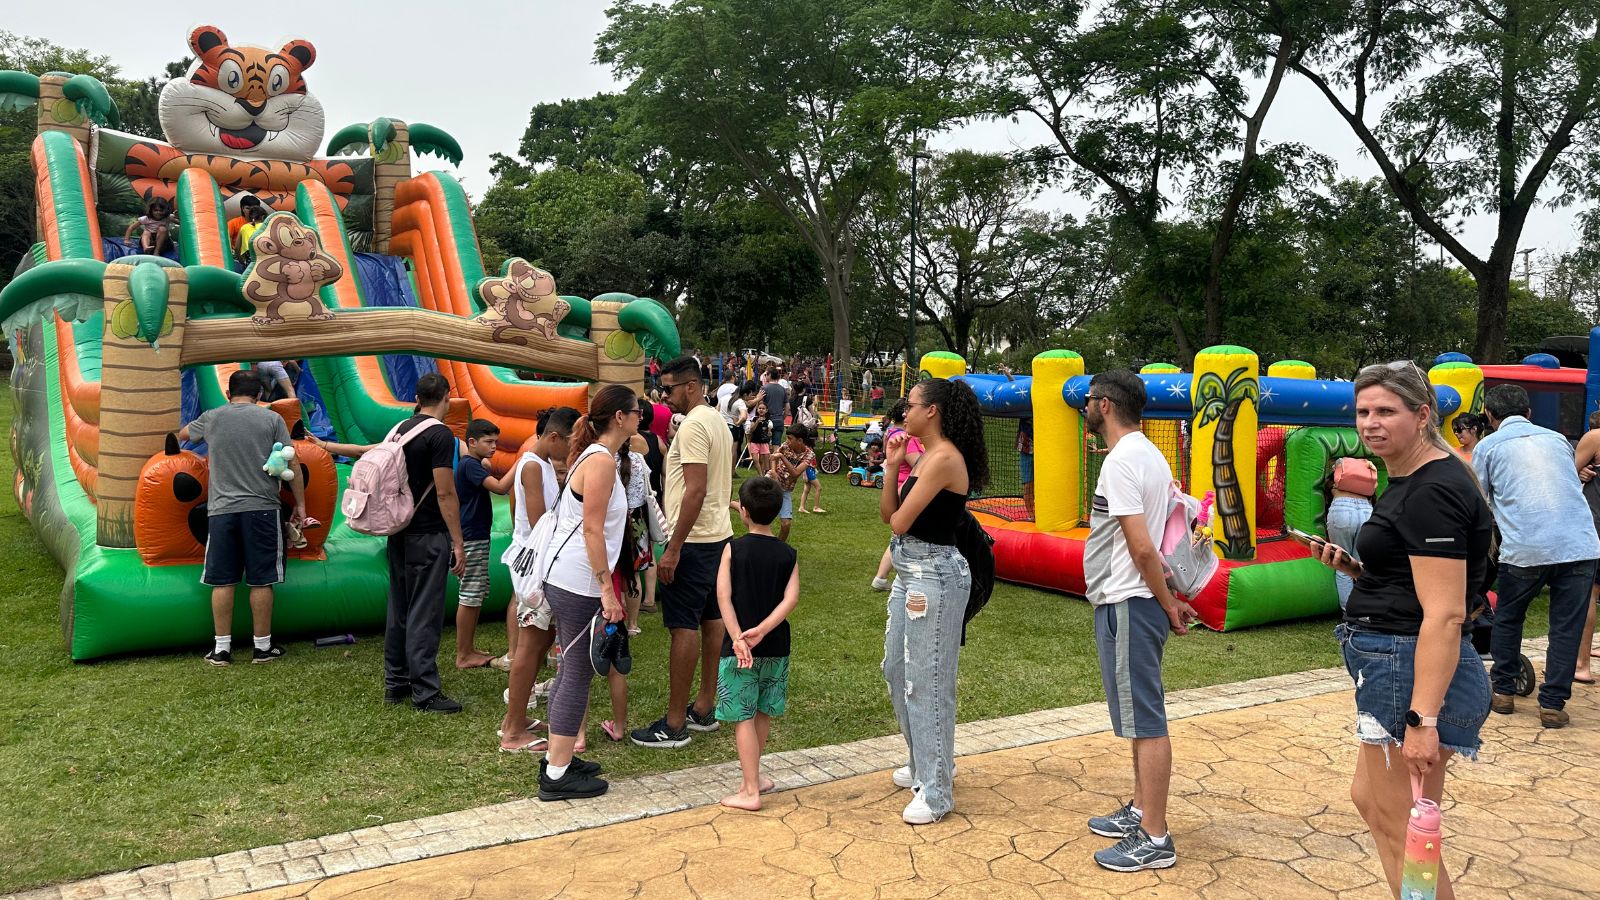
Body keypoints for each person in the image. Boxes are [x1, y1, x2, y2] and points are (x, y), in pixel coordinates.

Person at [1311, 360, 1493, 898]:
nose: (1371, 422)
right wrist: (1358, 571)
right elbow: (1418, 582)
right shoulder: (1411, 477)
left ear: (1422, 415)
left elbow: (1446, 613)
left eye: (1386, 411)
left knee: (1406, 828)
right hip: (1393, 660)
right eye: (1363, 411)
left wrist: (1423, 721)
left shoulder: (1431, 489)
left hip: (1408, 670)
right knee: (1373, 802)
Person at [1076, 369, 1199, 871]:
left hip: (1129, 599)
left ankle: (1155, 836)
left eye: (1088, 400)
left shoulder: (1123, 460)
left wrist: (1168, 602)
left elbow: (1143, 545)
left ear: (1104, 405)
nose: (1084, 407)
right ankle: (1143, 810)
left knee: (1145, 719)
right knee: (1135, 715)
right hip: (1131, 598)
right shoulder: (1148, 453)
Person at [879, 378, 988, 825]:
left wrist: (902, 473)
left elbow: (901, 522)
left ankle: (937, 788)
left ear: (934, 412)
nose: (905, 411)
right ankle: (926, 763)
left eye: (912, 405)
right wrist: (891, 468)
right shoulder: (924, 458)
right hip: (911, 572)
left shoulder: (944, 459)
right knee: (896, 670)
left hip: (936, 575)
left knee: (928, 682)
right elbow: (891, 517)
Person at [1475, 383, 1598, 727]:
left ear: (1489, 416)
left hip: (1525, 549)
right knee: (1565, 626)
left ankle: (1502, 691)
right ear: (1529, 413)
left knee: (1510, 618)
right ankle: (1553, 704)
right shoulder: (1558, 439)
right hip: (1580, 545)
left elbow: (1480, 500)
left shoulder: (1487, 447)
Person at [536, 386, 634, 800]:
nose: (640, 418)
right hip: (577, 581)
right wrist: (606, 591)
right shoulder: (601, 463)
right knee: (577, 672)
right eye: (635, 412)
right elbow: (592, 529)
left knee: (569, 669)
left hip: (569, 576)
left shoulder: (597, 457)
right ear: (618, 418)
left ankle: (557, 758)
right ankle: (557, 774)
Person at [632, 356, 734, 749]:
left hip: (692, 542)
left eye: (669, 389)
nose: (664, 397)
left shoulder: (693, 426)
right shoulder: (716, 421)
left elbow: (695, 490)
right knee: (711, 620)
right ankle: (704, 707)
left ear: (691, 386)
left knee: (683, 626)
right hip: (717, 537)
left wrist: (672, 549)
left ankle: (674, 723)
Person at [178, 369, 304, 665]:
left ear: (228, 394)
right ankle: (262, 646)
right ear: (260, 394)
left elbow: (183, 435)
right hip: (262, 508)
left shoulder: (212, 417)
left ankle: (222, 648)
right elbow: (292, 461)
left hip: (222, 510)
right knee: (261, 581)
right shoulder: (271, 418)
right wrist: (300, 505)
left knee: (222, 581)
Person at [716, 476, 800, 811]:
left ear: (744, 512)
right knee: (762, 711)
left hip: (741, 649)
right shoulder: (788, 553)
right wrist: (763, 630)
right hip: (775, 644)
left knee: (742, 716)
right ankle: (755, 777)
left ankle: (750, 789)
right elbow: (790, 599)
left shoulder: (732, 549)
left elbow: (724, 596)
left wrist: (739, 636)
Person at [384, 373, 467, 713]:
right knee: (424, 612)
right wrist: (458, 542)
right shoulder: (440, 435)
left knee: (400, 608)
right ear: (446, 397)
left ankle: (396, 682)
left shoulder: (399, 429)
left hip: (398, 528)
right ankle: (425, 691)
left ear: (417, 397)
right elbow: (445, 491)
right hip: (428, 531)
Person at [499, 406, 580, 752]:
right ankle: (513, 730)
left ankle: (514, 720)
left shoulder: (544, 464)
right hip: (536, 563)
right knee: (530, 647)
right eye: (570, 443)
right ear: (553, 438)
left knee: (538, 643)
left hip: (541, 560)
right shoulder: (532, 465)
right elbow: (538, 524)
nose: (572, 451)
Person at [453, 418, 516, 669]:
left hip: (476, 535)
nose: (493, 447)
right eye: (488, 442)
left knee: (477, 593)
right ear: (472, 442)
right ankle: (463, 654)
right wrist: (521, 461)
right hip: (471, 537)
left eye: (495, 442)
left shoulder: (473, 463)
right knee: (470, 595)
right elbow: (500, 488)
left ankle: (468, 648)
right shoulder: (470, 465)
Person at [872, 400, 924, 591]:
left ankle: (882, 577)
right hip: (905, 487)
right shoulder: (903, 437)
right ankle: (882, 577)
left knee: (898, 534)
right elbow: (918, 463)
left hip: (898, 485)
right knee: (899, 535)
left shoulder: (893, 432)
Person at [1327, 457, 1378, 611]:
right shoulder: (1369, 468)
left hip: (1342, 508)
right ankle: (1365, 609)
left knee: (1342, 564)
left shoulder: (1337, 477)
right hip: (1366, 509)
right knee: (1361, 565)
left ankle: (1349, 612)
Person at [1576, 411, 1600, 685]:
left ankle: (1582, 664)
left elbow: (1565, 475)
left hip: (1596, 523)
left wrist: (1580, 471)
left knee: (1589, 591)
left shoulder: (1595, 437)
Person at [770, 426, 815, 543]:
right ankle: (733, 504)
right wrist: (774, 471)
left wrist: (782, 457)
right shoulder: (786, 445)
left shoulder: (809, 455)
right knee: (756, 515)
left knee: (786, 524)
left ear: (800, 440)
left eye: (790, 438)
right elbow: (773, 457)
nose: (787, 440)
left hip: (785, 489)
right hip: (770, 484)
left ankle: (778, 547)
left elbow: (795, 473)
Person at [721, 379, 755, 467]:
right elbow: (744, 416)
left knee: (722, 449)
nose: (749, 398)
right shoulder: (740, 402)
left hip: (721, 426)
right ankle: (731, 471)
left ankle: (724, 469)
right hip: (732, 428)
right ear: (744, 394)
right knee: (733, 451)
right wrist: (738, 422)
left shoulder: (724, 398)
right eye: (749, 395)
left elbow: (717, 410)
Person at [797, 424, 826, 514]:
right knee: (818, 487)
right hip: (808, 470)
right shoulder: (807, 449)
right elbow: (803, 461)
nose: (817, 440)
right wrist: (805, 473)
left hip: (810, 469)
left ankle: (801, 507)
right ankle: (816, 507)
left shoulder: (808, 447)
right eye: (816, 438)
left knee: (806, 489)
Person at [230, 194, 267, 262]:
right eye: (248, 208)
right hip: (238, 256)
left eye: (254, 209)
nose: (251, 211)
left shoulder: (264, 224)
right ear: (242, 208)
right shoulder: (233, 223)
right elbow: (230, 244)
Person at [761, 369, 789, 447]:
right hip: (779, 420)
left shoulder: (764, 388)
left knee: (764, 446)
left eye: (766, 374)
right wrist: (783, 417)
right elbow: (787, 407)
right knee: (776, 444)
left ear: (770, 375)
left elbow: (760, 404)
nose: (765, 376)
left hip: (767, 419)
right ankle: (775, 459)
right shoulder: (782, 389)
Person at [745, 401, 774, 476]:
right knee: (755, 459)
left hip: (764, 442)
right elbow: (751, 430)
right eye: (760, 408)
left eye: (763, 408)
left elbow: (769, 433)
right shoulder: (754, 419)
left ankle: (763, 475)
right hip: (754, 442)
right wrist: (757, 422)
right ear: (757, 410)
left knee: (762, 460)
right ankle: (761, 475)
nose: (761, 410)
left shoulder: (768, 421)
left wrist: (769, 434)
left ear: (766, 410)